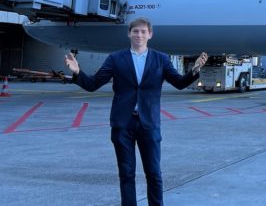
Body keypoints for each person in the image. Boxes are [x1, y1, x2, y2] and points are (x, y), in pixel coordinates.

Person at [64, 17, 207, 206]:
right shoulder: (115, 59)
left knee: (154, 173)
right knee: (126, 173)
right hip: (123, 124)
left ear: (150, 35)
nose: (139, 35)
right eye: (135, 31)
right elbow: (93, 84)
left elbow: (179, 83)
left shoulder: (161, 59)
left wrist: (194, 71)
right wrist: (77, 72)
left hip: (149, 124)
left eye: (143, 31)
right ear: (129, 34)